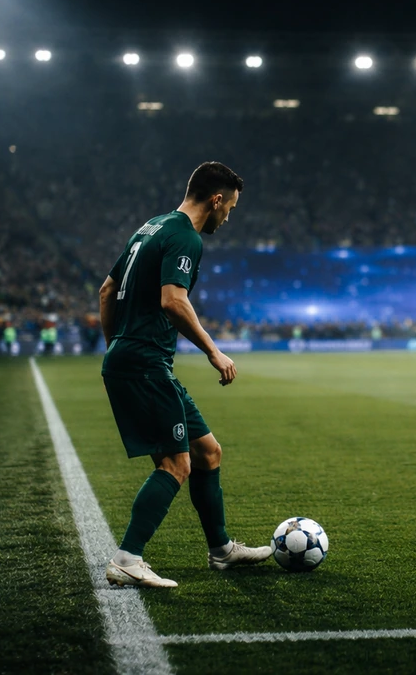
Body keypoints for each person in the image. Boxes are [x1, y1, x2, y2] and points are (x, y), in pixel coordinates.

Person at [98, 161, 270, 588]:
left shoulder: (152, 226)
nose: (228, 216)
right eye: (229, 207)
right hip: (145, 363)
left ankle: (222, 550)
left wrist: (116, 344)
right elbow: (173, 301)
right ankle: (127, 558)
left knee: (208, 452)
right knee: (177, 464)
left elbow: (105, 290)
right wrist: (214, 350)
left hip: (136, 358)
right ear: (215, 199)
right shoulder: (185, 237)